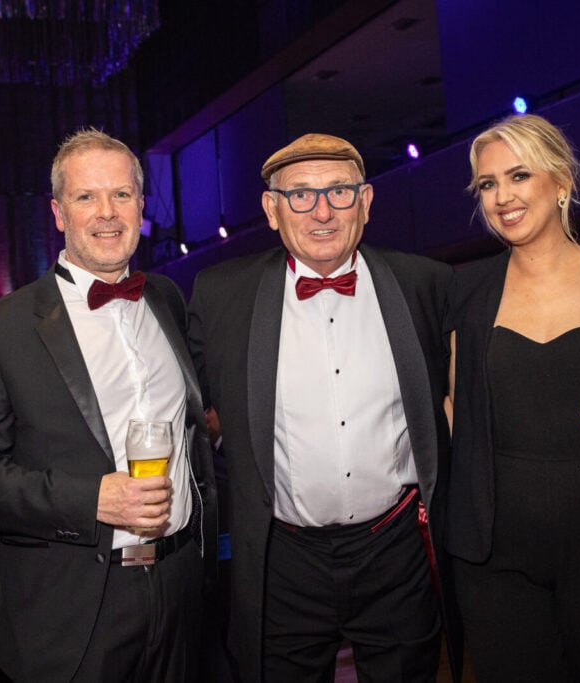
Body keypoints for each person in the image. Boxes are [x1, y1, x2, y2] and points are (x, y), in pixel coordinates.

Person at [0, 128, 217, 682]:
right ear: (58, 212)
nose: (107, 213)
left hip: (181, 588)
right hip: (70, 604)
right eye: (87, 196)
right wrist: (92, 499)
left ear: (141, 205)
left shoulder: (166, 298)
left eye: (121, 194)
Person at [188, 133, 462, 682]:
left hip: (396, 551)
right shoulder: (221, 295)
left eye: (339, 191)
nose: (322, 212)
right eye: (300, 195)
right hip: (282, 560)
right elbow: (180, 404)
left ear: (366, 202)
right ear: (271, 210)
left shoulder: (424, 283)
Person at [445, 114, 580, 681]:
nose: (502, 197)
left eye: (519, 176)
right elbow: (455, 405)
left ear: (561, 181)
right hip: (495, 549)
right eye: (488, 184)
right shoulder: (467, 290)